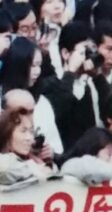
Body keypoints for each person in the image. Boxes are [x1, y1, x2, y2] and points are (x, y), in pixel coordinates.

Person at [0, 38, 62, 153]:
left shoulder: (42, 102)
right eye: (33, 66)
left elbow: (56, 145)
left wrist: (50, 152)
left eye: (39, 65)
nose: (37, 71)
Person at [40, 22, 112, 150]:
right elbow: (60, 109)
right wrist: (71, 72)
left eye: (92, 50)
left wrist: (98, 77)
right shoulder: (50, 84)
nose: (89, 56)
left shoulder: (90, 83)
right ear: (66, 53)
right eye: (84, 51)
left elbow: (108, 111)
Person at [0, 104, 56, 187]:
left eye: (31, 132)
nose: (30, 138)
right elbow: (5, 170)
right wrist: (37, 169)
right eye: (23, 131)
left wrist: (48, 162)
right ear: (6, 133)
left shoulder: (33, 159)